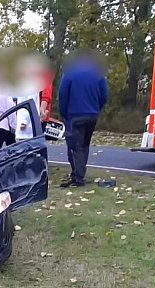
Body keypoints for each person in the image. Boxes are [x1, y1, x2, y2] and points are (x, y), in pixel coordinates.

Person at [58, 50, 109, 187]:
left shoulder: (70, 73)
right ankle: (79, 173)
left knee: (75, 147)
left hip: (74, 115)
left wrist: (64, 114)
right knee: (84, 145)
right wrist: (96, 108)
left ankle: (78, 177)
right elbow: (104, 96)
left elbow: (62, 95)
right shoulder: (98, 74)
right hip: (92, 115)